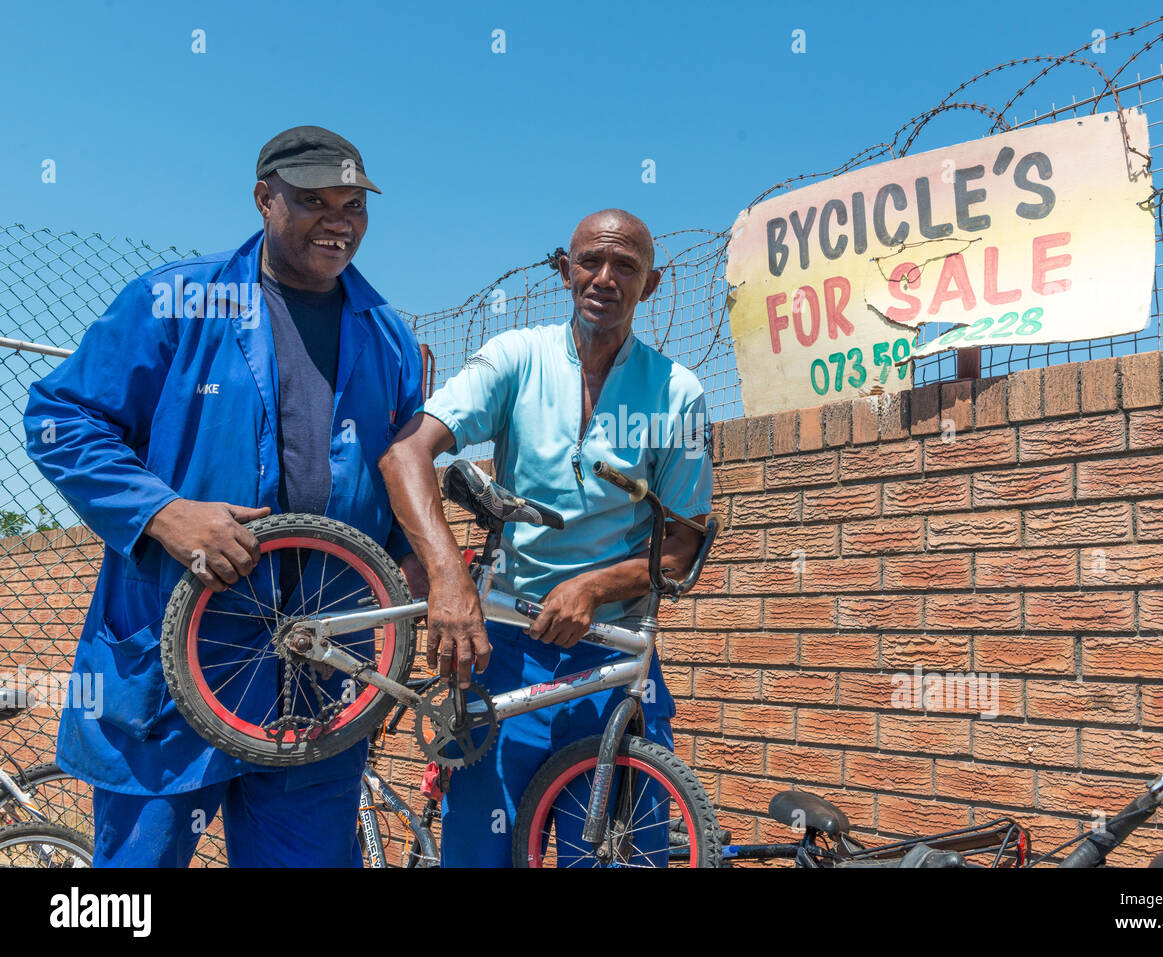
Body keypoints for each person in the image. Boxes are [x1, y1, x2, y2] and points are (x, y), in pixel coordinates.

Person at [25, 126, 427, 867]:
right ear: (264, 198)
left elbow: (401, 493)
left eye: (353, 205)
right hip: (179, 665)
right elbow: (58, 420)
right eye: (313, 201)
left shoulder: (389, 338)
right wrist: (163, 512)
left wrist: (424, 595)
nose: (338, 221)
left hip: (320, 678)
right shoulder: (176, 302)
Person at [379, 208, 714, 866]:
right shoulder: (516, 359)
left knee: (617, 856)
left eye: (626, 265)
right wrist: (448, 576)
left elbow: (683, 543)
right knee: (481, 850)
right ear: (565, 269)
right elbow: (407, 453)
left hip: (616, 661)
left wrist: (593, 586)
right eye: (591, 260)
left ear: (651, 285)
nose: (605, 277)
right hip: (507, 649)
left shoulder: (679, 392)